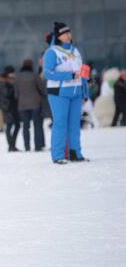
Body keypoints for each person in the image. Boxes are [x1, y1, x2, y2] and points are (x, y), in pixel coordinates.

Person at [43, 22, 89, 164]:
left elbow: (82, 73)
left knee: (75, 125)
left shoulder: (75, 51)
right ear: (58, 36)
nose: (68, 35)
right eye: (64, 33)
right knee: (60, 124)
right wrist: (68, 76)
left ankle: (75, 153)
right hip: (59, 93)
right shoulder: (52, 52)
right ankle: (58, 155)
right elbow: (48, 74)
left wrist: (85, 92)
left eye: (69, 32)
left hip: (75, 93)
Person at [14, 59, 45, 151]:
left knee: (25, 127)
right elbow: (42, 88)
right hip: (35, 103)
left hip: (22, 105)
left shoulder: (17, 77)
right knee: (37, 125)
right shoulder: (34, 75)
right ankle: (38, 146)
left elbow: (16, 93)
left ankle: (27, 146)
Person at [0, 66, 21, 152]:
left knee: (17, 125)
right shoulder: (4, 82)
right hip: (8, 107)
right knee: (9, 126)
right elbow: (6, 94)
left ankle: (12, 145)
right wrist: (14, 88)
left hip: (13, 107)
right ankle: (11, 145)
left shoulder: (10, 81)